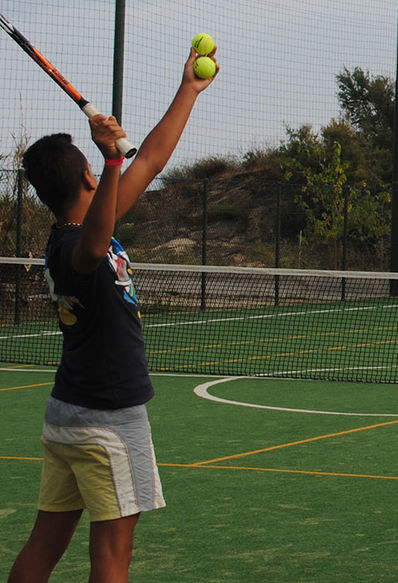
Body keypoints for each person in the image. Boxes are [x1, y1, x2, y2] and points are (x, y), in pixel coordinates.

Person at [8, 46, 216, 583]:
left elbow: (150, 160)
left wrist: (188, 89)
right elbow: (96, 249)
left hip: (70, 414)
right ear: (87, 180)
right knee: (112, 554)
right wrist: (110, 157)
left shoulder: (82, 225)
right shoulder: (72, 249)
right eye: (92, 165)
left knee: (46, 543)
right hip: (108, 419)